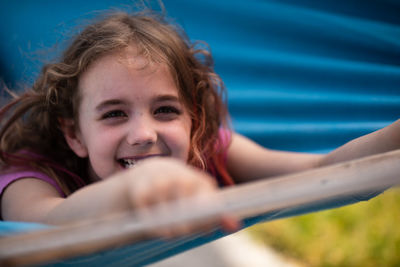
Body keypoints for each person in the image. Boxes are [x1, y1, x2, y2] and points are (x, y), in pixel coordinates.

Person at [0, 10, 399, 238]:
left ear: (195, 118)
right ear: (74, 133)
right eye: (114, 114)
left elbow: (321, 172)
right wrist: (133, 188)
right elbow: (45, 220)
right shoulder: (28, 170)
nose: (144, 134)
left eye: (166, 110)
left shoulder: (209, 148)